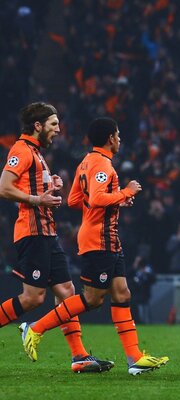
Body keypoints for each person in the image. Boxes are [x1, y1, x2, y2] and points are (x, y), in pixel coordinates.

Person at [19, 117, 169, 375]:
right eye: (118, 135)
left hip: (107, 237)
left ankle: (134, 359)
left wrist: (115, 202)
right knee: (92, 299)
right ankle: (35, 328)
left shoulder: (86, 162)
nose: (120, 139)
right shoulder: (102, 164)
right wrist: (126, 192)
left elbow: (76, 199)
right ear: (110, 138)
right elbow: (98, 198)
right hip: (98, 239)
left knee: (122, 293)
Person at [0, 102, 113, 373]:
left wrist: (51, 184)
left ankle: (80, 357)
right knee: (33, 298)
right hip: (32, 232)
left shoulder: (36, 153)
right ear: (37, 126)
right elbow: (4, 187)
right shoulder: (21, 150)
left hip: (47, 234)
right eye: (53, 124)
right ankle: (31, 329)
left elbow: (33, 185)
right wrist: (37, 198)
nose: (58, 129)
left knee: (66, 292)